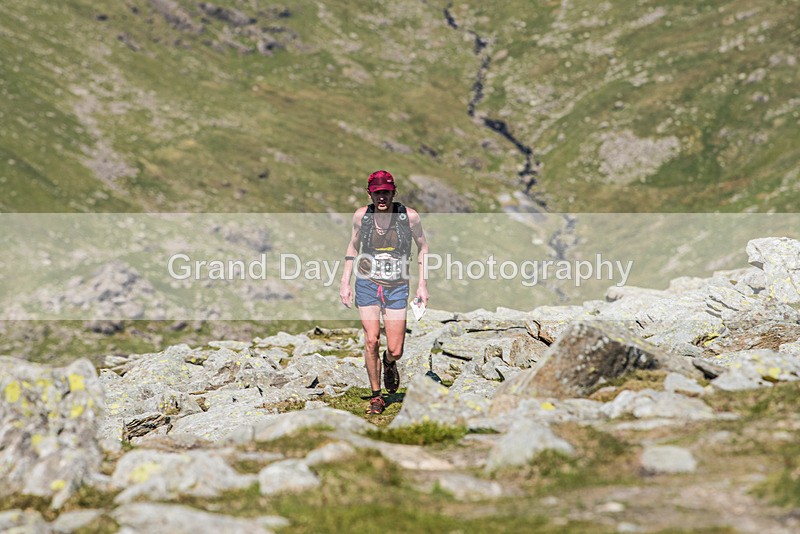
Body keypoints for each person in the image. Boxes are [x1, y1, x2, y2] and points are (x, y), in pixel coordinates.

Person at [339, 170, 429, 414]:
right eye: (377, 193)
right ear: (370, 194)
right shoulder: (361, 217)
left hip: (397, 287)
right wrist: (345, 282)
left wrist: (422, 284)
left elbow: (423, 248)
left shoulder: (409, 217)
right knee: (371, 340)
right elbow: (353, 246)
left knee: (396, 349)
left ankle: (389, 364)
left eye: (386, 193)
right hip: (367, 284)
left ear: (393, 192)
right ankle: (377, 396)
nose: (382, 198)